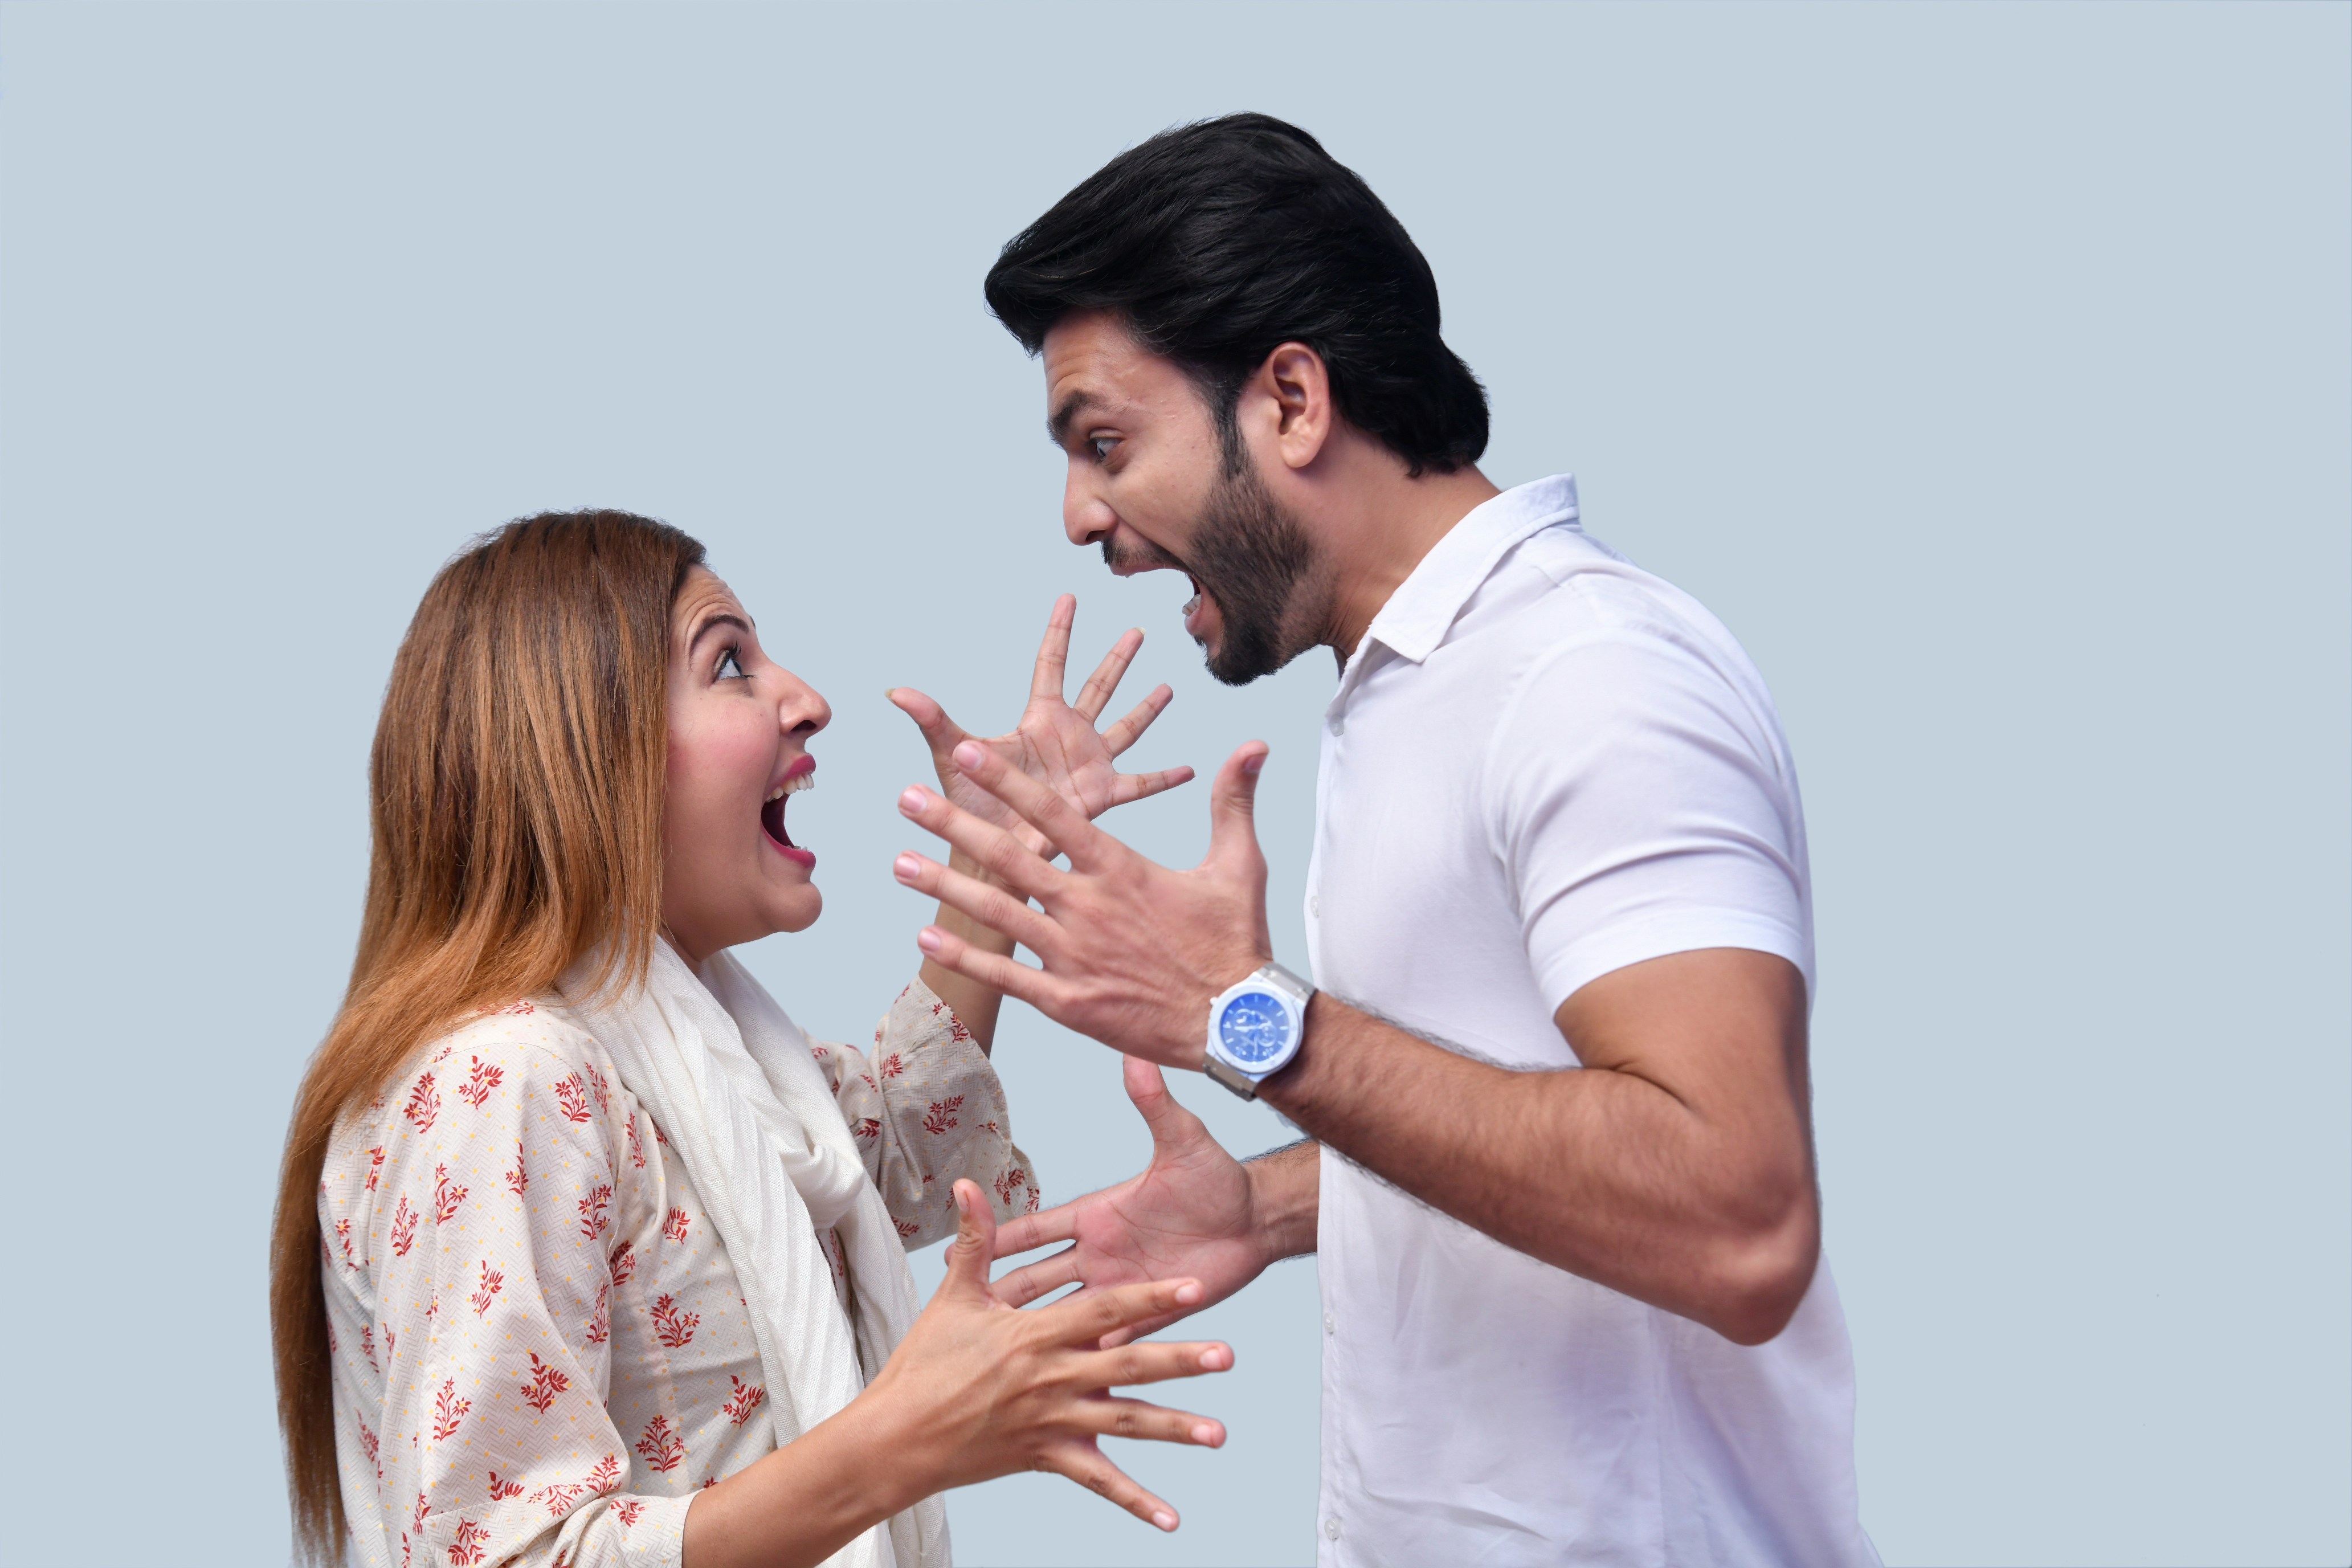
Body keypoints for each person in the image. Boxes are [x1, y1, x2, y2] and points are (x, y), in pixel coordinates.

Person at [890, 115, 1881, 1565]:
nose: (1077, 515)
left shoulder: (1591, 677)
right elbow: (1533, 1110)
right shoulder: (1405, 688)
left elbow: (1738, 1219)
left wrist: (1243, 1018)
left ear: (1291, 398)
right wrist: (1278, 1204)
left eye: (1106, 442)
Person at [268, 510, 1236, 1568]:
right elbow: (500, 1554)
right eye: (728, 662)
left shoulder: (695, 1060)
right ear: (588, 750)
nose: (806, 700)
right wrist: (899, 1442)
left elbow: (895, 1151)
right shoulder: (503, 1081)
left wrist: (997, 866)